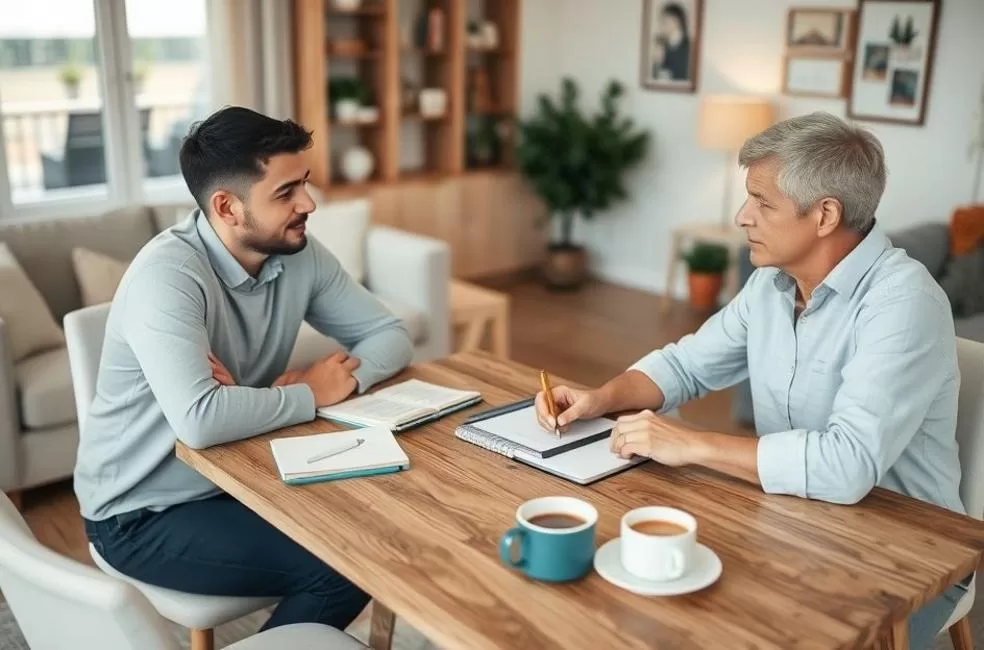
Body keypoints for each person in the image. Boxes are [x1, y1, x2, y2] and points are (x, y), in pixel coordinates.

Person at [534, 111, 969, 649]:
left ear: (825, 215)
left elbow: (847, 464)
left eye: (762, 202)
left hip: (909, 555)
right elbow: (687, 365)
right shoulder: (772, 285)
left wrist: (690, 443)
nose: (743, 216)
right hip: (795, 520)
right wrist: (603, 398)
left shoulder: (903, 303)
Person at [74, 106, 414, 632]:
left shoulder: (298, 253)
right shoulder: (167, 277)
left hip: (236, 474)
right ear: (227, 207)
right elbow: (202, 420)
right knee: (346, 565)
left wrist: (337, 379)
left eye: (304, 182)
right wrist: (311, 396)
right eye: (285, 193)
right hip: (140, 513)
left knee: (384, 518)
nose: (309, 203)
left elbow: (391, 336)